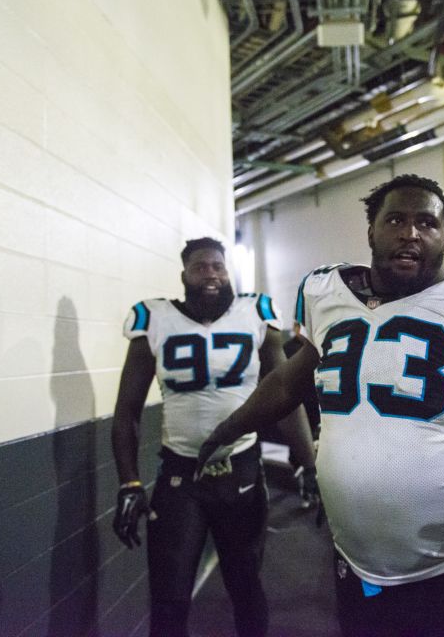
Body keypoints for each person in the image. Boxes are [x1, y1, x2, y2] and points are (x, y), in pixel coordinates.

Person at [195, 175, 444, 636]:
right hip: (356, 567)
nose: (410, 233)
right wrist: (228, 430)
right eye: (396, 220)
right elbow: (289, 381)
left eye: (427, 223)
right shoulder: (327, 296)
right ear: (371, 231)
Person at [111, 237, 317, 637]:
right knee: (169, 599)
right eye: (200, 267)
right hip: (180, 475)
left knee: (246, 589)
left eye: (218, 266)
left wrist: (308, 463)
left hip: (239, 469)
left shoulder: (255, 313)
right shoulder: (153, 319)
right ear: (183, 275)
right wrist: (129, 482)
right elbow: (127, 411)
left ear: (229, 272)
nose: (211, 274)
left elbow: (285, 395)